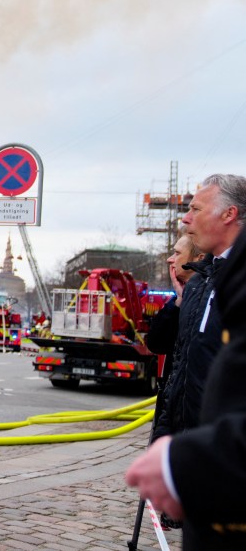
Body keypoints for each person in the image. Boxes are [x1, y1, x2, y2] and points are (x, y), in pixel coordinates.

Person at [126, 224, 246, 550]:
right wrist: (178, 303)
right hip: (183, 417)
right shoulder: (189, 294)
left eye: (177, 253)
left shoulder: (219, 289)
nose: (170, 258)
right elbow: (161, 344)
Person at [152, 174, 245, 441]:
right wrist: (166, 441)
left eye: (196, 209)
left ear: (229, 214)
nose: (185, 218)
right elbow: (178, 371)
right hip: (193, 450)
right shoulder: (198, 283)